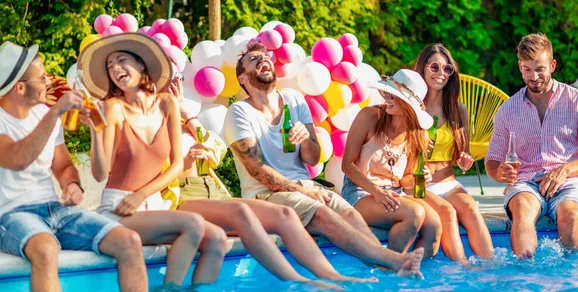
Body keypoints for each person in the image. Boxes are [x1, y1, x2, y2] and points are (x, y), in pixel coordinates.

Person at [224, 42, 424, 276]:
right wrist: (304, 192)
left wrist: (305, 140)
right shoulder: (238, 112)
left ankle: (383, 269)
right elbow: (257, 170)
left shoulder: (294, 100)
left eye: (265, 57)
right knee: (321, 213)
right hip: (265, 194)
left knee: (349, 213)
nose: (262, 60)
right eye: (253, 60)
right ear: (243, 79)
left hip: (305, 185)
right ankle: (396, 261)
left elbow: (313, 157)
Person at [168, 66, 375, 283]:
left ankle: (377, 265)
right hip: (186, 194)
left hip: (216, 192)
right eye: (170, 79)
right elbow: (174, 165)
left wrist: (188, 117)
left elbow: (215, 150)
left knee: (345, 213)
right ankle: (312, 280)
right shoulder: (166, 120)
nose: (176, 85)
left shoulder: (185, 121)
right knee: (256, 216)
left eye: (179, 78)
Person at [0, 41, 148, 292]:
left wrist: (72, 184)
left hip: (56, 210)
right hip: (11, 214)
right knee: (46, 249)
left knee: (129, 241)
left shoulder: (43, 115)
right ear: (20, 87)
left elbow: (64, 166)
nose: (49, 81)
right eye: (43, 77)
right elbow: (17, 158)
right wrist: (56, 111)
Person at [79, 33, 218, 286]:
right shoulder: (113, 108)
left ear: (141, 64)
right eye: (110, 67)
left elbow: (177, 165)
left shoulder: (167, 103)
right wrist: (94, 130)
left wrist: (141, 195)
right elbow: (100, 173)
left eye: (122, 60)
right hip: (119, 208)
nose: (116, 69)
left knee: (217, 240)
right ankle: (170, 290)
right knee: (194, 225)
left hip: (152, 204)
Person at [485, 33, 578, 258]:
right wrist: (499, 172)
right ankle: (527, 275)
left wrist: (564, 170)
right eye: (527, 69)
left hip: (570, 182)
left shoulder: (577, 101)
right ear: (519, 66)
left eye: (540, 68)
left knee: (570, 215)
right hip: (526, 182)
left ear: (552, 65)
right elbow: (492, 160)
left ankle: (568, 276)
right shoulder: (507, 110)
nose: (534, 76)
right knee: (521, 209)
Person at [340, 69, 443, 258]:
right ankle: (388, 269)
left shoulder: (419, 133)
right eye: (388, 93)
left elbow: (404, 181)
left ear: (409, 105)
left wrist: (420, 178)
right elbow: (347, 165)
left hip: (395, 194)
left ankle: (415, 279)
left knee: (434, 225)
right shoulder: (370, 116)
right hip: (361, 192)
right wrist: (376, 192)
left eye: (394, 96)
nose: (388, 98)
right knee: (414, 214)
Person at [414, 44, 494, 259]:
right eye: (434, 67)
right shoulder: (411, 108)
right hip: (418, 184)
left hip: (448, 183)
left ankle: (492, 268)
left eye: (447, 69)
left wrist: (464, 161)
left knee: (470, 208)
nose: (441, 74)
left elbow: (462, 154)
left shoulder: (458, 110)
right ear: (422, 69)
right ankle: (463, 272)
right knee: (448, 213)